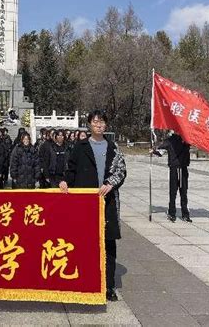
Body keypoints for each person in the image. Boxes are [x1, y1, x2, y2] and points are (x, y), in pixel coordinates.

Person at [60, 110, 126, 302]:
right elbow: (70, 170)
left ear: (106, 125)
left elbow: (121, 171)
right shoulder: (79, 147)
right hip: (85, 204)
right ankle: (84, 281)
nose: (99, 125)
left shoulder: (113, 147)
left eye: (102, 122)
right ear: (89, 124)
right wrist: (65, 182)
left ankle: (109, 285)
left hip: (107, 202)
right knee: (84, 243)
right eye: (95, 122)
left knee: (108, 244)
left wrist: (110, 183)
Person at [151, 132, 192, 223]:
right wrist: (154, 151)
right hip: (178, 168)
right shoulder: (180, 140)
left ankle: (177, 213)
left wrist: (153, 151)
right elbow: (161, 151)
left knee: (177, 192)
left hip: (179, 168)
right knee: (180, 192)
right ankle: (179, 214)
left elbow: (160, 152)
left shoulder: (181, 139)